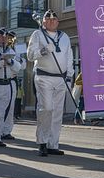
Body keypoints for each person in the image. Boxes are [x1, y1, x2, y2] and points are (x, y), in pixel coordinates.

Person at [27, 10, 73, 157]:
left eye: (54, 19)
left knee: (57, 112)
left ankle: (53, 144)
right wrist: (44, 50)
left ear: (58, 22)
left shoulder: (64, 37)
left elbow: (69, 57)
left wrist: (69, 76)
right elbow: (30, 55)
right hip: (43, 77)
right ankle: (42, 142)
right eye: (48, 18)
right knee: (46, 108)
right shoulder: (38, 34)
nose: (52, 21)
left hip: (61, 77)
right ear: (44, 22)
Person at [1, 30, 26, 140]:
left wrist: (17, 57)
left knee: (11, 107)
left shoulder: (17, 51)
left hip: (12, 80)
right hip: (2, 80)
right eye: (9, 37)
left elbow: (23, 66)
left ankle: (6, 131)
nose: (11, 40)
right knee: (1, 107)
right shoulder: (2, 49)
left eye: (13, 38)